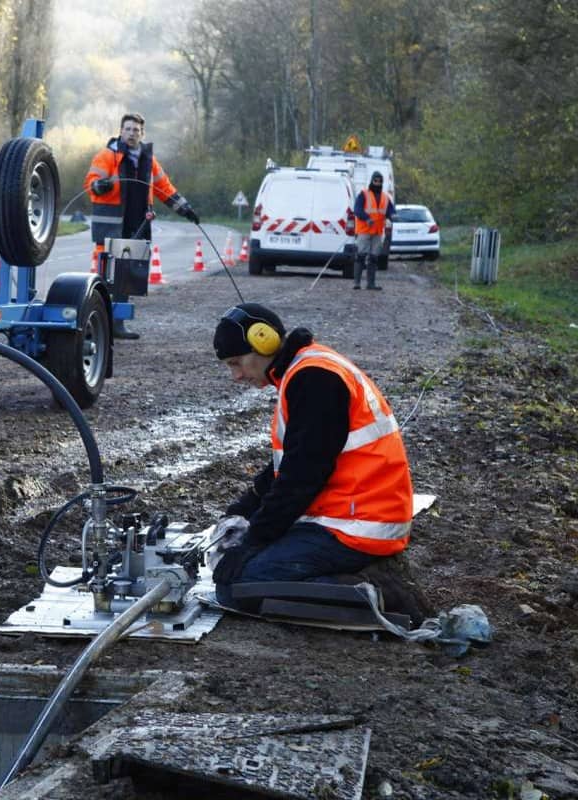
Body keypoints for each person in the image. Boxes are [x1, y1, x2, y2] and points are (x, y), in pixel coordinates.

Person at [209, 303, 414, 609]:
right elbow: (291, 462)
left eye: (237, 363)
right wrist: (245, 507)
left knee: (237, 587)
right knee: (241, 573)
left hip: (356, 526)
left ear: (263, 341)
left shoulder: (314, 379)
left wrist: (253, 542)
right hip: (347, 517)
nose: (236, 376)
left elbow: (301, 477)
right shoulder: (306, 370)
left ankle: (376, 591)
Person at [84, 112, 199, 339]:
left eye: (136, 130)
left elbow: (165, 188)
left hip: (137, 226)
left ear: (142, 134)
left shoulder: (149, 160)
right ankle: (98, 324)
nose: (131, 133)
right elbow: (90, 184)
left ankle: (118, 325)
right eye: (127, 129)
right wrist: (100, 186)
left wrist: (186, 209)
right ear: (120, 131)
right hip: (111, 227)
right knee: (105, 277)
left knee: (127, 278)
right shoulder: (107, 156)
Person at [352, 171, 395, 291]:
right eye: (376, 180)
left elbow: (390, 211)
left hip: (377, 232)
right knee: (360, 256)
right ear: (371, 181)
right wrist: (367, 218)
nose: (378, 183)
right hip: (364, 230)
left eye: (380, 181)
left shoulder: (386, 197)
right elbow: (357, 210)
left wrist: (393, 216)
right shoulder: (363, 194)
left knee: (374, 258)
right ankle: (357, 283)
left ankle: (371, 284)